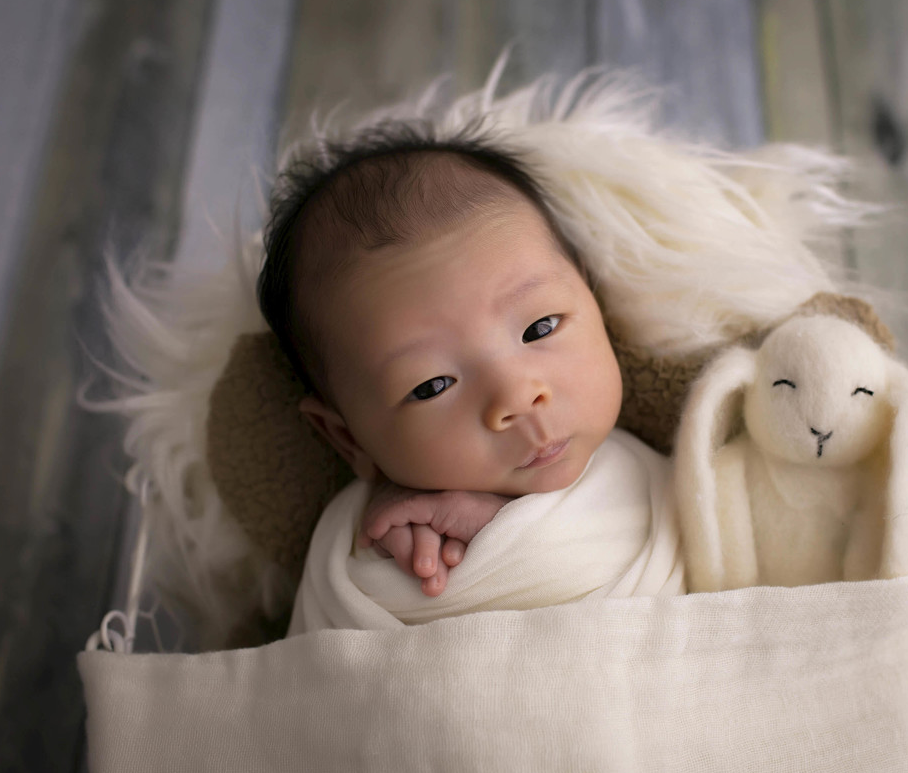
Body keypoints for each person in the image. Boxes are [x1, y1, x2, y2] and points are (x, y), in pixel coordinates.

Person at [257, 124, 637, 600]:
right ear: (347, 437)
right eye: (433, 385)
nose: (517, 396)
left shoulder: (668, 462)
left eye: (540, 328)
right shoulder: (387, 544)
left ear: (592, 294)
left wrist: (496, 525)